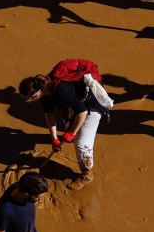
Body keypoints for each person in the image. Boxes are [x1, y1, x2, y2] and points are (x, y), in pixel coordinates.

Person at [18, 59, 107, 188]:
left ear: (36, 94)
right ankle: (73, 134)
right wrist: (54, 139)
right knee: (70, 126)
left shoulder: (59, 90)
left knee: (82, 144)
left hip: (91, 102)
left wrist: (71, 133)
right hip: (76, 100)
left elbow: (82, 112)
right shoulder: (44, 91)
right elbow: (49, 114)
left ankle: (87, 175)